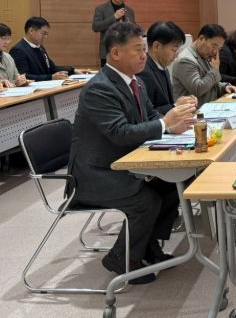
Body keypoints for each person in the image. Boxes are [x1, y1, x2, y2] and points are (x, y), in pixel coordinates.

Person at [68, 22, 197, 284]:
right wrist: (165, 123)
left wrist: (174, 123)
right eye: (138, 50)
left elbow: (150, 116)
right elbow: (120, 132)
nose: (144, 55)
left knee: (170, 186)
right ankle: (121, 257)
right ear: (115, 53)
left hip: (123, 163)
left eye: (145, 49)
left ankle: (148, 246)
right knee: (146, 200)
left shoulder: (136, 82)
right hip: (96, 174)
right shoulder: (99, 88)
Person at [172, 24, 236, 106]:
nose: (215, 51)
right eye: (214, 46)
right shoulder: (186, 60)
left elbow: (209, 83)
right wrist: (215, 70)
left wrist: (224, 87)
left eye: (219, 48)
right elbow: (198, 89)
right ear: (201, 38)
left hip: (208, 108)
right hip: (194, 112)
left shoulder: (204, 56)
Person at [137, 21, 196, 115]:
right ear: (156, 46)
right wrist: (176, 105)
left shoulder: (163, 67)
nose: (176, 55)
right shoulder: (143, 72)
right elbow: (147, 114)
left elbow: (167, 103)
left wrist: (182, 102)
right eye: (174, 50)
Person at [10, 16, 79, 81]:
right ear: (31, 31)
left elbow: (52, 68)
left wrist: (73, 70)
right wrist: (50, 77)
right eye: (43, 33)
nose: (45, 37)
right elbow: (23, 76)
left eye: (46, 34)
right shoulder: (18, 50)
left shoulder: (40, 47)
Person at [92, 0, 136, 66]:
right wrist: (114, 17)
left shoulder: (130, 11)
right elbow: (96, 27)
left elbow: (134, 28)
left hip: (126, 51)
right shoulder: (101, 9)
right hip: (108, 51)